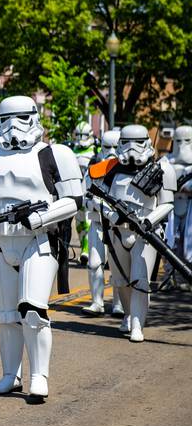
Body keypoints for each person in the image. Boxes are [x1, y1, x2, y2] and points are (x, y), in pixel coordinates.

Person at [0, 95, 83, 400]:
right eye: (5, 119)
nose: (12, 127)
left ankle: (39, 376)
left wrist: (41, 217)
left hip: (39, 241)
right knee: (5, 316)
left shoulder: (55, 154)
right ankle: (9, 375)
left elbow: (74, 200)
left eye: (21, 118)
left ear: (34, 118)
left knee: (33, 311)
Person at [90, 124, 176, 342]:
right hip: (117, 231)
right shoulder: (109, 169)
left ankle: (137, 325)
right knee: (121, 280)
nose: (132, 148)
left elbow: (166, 204)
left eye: (137, 142)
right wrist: (111, 216)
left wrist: (147, 221)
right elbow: (97, 198)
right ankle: (129, 314)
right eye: (126, 142)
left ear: (147, 142)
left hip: (145, 233)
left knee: (140, 278)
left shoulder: (162, 170)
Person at [83, 130, 124, 315]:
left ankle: (119, 304)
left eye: (116, 146)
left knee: (119, 265)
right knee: (94, 263)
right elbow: (83, 195)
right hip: (98, 223)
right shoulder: (93, 170)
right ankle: (97, 302)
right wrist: (91, 202)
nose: (112, 151)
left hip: (118, 226)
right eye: (108, 147)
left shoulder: (126, 171)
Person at [166, 125, 192, 283]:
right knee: (170, 243)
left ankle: (185, 279)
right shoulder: (167, 162)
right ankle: (169, 277)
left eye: (187, 140)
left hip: (190, 208)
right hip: (172, 206)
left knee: (187, 243)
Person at [72, 122, 97, 265]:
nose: (81, 138)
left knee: (88, 222)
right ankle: (84, 248)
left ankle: (86, 251)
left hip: (88, 190)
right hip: (75, 190)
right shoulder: (72, 150)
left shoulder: (95, 150)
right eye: (79, 135)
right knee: (80, 223)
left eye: (83, 135)